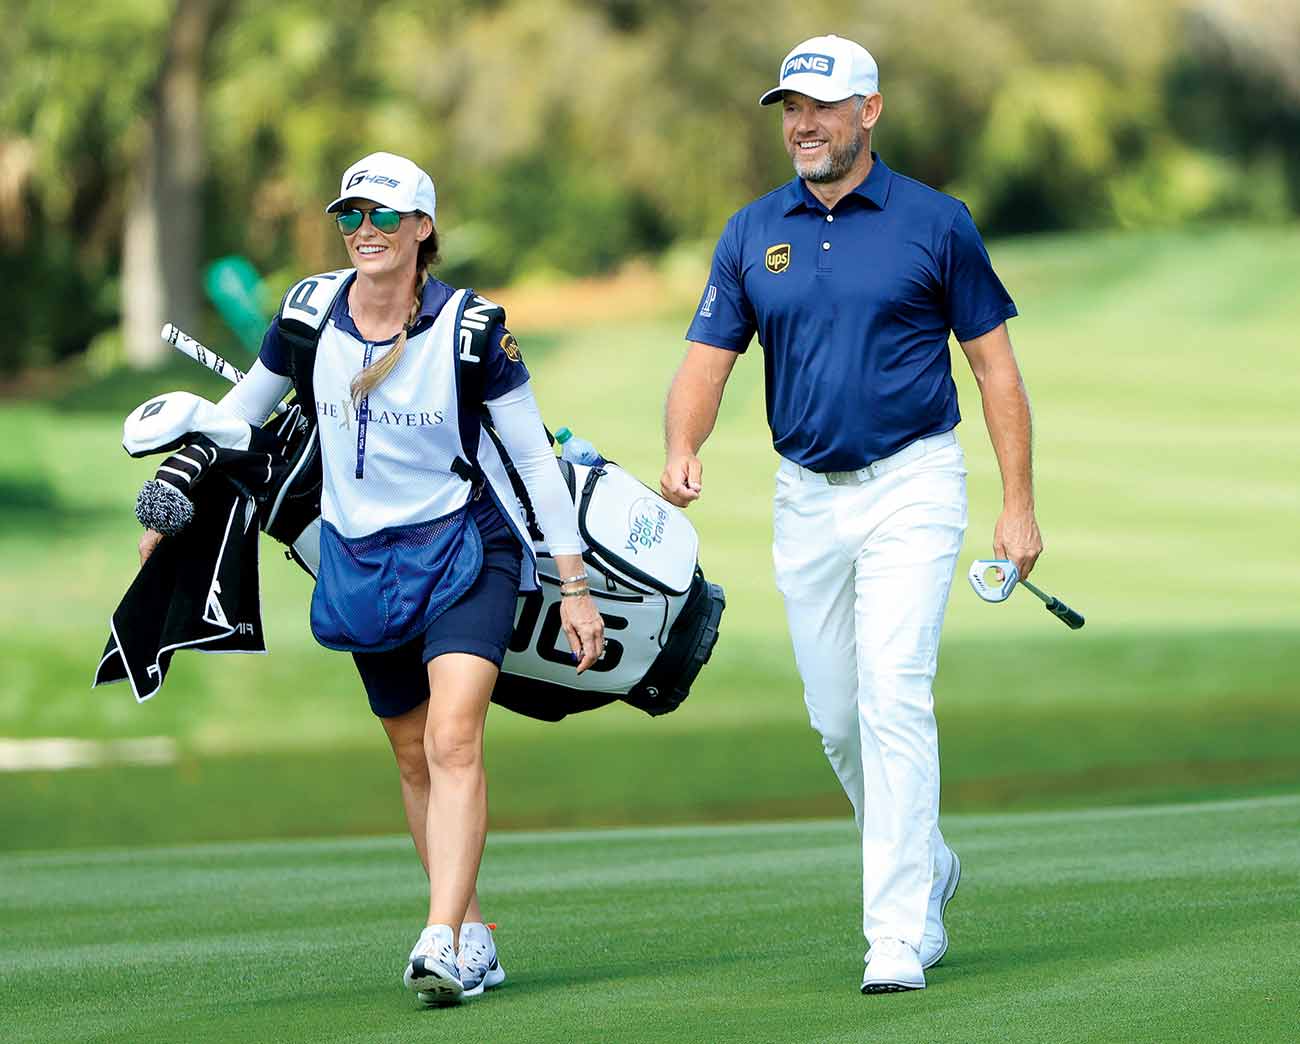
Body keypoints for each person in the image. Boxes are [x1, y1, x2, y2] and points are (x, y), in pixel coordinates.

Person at [139, 151, 604, 1005]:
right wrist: (172, 500)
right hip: (360, 555)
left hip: (470, 544)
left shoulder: (472, 329)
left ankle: (437, 938)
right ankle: (470, 934)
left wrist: (572, 587)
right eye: (350, 216)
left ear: (422, 228)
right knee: (411, 755)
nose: (364, 232)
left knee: (453, 738)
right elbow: (238, 415)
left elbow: (536, 461)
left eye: (383, 217)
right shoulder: (308, 312)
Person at [660, 36, 1042, 994]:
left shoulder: (936, 222)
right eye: (790, 108)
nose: (802, 124)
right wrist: (682, 445)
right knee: (836, 716)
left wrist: (1019, 505)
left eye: (821, 108)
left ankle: (898, 933)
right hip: (806, 499)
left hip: (914, 483)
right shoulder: (753, 231)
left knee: (892, 696)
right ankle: (929, 862)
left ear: (869, 111)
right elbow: (707, 361)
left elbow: (995, 369)